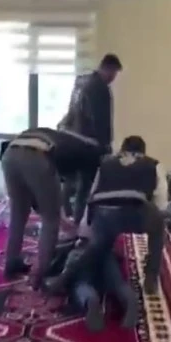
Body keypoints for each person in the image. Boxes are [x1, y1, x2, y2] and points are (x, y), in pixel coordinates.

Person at [46, 136, 167, 296]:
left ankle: (64, 277)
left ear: (121, 150)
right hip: (136, 210)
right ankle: (150, 278)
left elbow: (93, 195)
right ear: (143, 152)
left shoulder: (106, 163)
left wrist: (85, 229)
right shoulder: (153, 164)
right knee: (158, 225)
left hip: (104, 211)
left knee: (97, 245)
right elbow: (161, 202)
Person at [0, 127, 105, 286]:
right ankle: (42, 273)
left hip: (9, 154)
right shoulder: (93, 155)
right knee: (51, 220)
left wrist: (52, 209)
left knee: (18, 214)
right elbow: (84, 193)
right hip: (36, 155)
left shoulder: (69, 141)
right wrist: (75, 222)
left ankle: (11, 264)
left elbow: (48, 191)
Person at [58, 54, 123, 225]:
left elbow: (72, 110)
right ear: (108, 69)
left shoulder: (81, 81)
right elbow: (102, 120)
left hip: (71, 136)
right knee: (86, 187)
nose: (113, 78)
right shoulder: (100, 88)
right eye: (113, 74)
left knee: (71, 180)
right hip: (89, 143)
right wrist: (106, 146)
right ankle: (79, 222)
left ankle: (67, 215)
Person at [48, 236, 138, 332]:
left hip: (80, 255)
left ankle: (91, 299)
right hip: (105, 253)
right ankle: (130, 300)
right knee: (118, 284)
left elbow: (55, 250)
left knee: (81, 284)